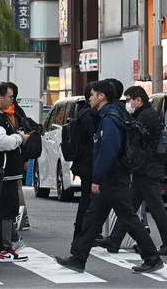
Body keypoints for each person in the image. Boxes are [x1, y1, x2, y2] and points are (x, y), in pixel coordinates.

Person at [55, 80, 164, 274]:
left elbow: (108, 149)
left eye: (92, 94)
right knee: (92, 219)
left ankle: (152, 257)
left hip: (112, 179)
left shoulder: (109, 117)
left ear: (102, 96)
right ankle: (78, 258)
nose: (89, 98)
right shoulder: (112, 113)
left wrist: (97, 177)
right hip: (112, 178)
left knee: (128, 218)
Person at [97, 85, 167, 255]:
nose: (127, 103)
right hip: (145, 169)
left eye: (128, 100)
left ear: (138, 100)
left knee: (156, 208)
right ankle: (115, 239)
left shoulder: (145, 116)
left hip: (148, 169)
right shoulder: (145, 114)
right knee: (129, 207)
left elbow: (135, 140)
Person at [0, 82, 30, 262]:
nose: (12, 100)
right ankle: (5, 248)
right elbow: (1, 142)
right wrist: (20, 137)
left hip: (3, 172)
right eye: (10, 97)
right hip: (4, 173)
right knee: (7, 210)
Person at [65, 83, 99, 239]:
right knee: (88, 199)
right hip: (89, 162)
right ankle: (82, 231)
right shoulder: (90, 116)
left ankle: (84, 231)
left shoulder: (82, 113)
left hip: (83, 162)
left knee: (89, 199)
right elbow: (94, 141)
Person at [5, 82, 32, 232]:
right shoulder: (18, 110)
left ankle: (20, 218)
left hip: (12, 154)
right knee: (17, 187)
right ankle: (22, 219)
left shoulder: (11, 111)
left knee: (16, 188)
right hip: (18, 153)